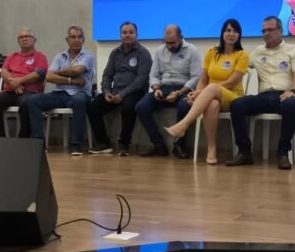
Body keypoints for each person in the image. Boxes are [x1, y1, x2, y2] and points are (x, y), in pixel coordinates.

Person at [164, 19, 248, 164]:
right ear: (222, 33)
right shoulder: (211, 52)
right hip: (210, 96)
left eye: (235, 31)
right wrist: (199, 92)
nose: (231, 34)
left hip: (233, 97)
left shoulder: (242, 55)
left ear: (239, 35)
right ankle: (211, 148)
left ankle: (183, 125)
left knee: (213, 87)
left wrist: (199, 93)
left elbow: (230, 82)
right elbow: (203, 79)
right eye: (228, 30)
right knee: (212, 104)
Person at [226, 16, 295, 170]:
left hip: (283, 95)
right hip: (263, 96)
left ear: (280, 31)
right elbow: (239, 65)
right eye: (264, 30)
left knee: (292, 104)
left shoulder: (293, 49)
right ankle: (244, 152)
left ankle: (283, 153)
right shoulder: (257, 52)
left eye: (270, 30)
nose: (266, 33)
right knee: (236, 105)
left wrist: (293, 91)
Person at [24, 25, 95, 156]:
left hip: (80, 93)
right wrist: (72, 81)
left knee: (79, 100)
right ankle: (39, 143)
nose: (76, 40)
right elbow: (49, 77)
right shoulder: (60, 56)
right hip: (60, 94)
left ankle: (76, 145)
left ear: (83, 39)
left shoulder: (88, 55)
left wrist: (56, 73)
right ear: (67, 40)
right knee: (32, 100)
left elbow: (77, 70)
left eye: (79, 37)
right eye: (73, 37)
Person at [135, 24, 201, 158]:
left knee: (184, 107)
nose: (169, 46)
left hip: (184, 88)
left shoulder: (192, 51)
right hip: (163, 88)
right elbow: (153, 75)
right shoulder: (160, 51)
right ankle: (158, 144)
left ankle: (179, 145)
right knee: (141, 107)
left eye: (173, 43)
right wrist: (156, 89)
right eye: (167, 43)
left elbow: (195, 77)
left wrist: (179, 93)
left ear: (181, 38)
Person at [88, 22, 152, 156]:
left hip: (136, 92)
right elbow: (107, 75)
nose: (127, 35)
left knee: (128, 107)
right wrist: (106, 92)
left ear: (137, 35)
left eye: (131, 32)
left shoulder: (143, 53)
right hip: (115, 91)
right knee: (93, 106)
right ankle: (103, 143)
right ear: (120, 35)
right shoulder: (115, 53)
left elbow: (141, 80)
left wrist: (122, 95)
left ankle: (124, 143)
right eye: (124, 32)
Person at [0, 27, 48, 138]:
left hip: (30, 92)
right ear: (18, 41)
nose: (24, 39)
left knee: (26, 104)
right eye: (21, 37)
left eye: (27, 36)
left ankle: (23, 139)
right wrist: (14, 83)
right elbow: (4, 72)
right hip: (10, 91)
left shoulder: (40, 56)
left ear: (34, 40)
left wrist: (19, 81)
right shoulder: (12, 56)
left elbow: (38, 74)